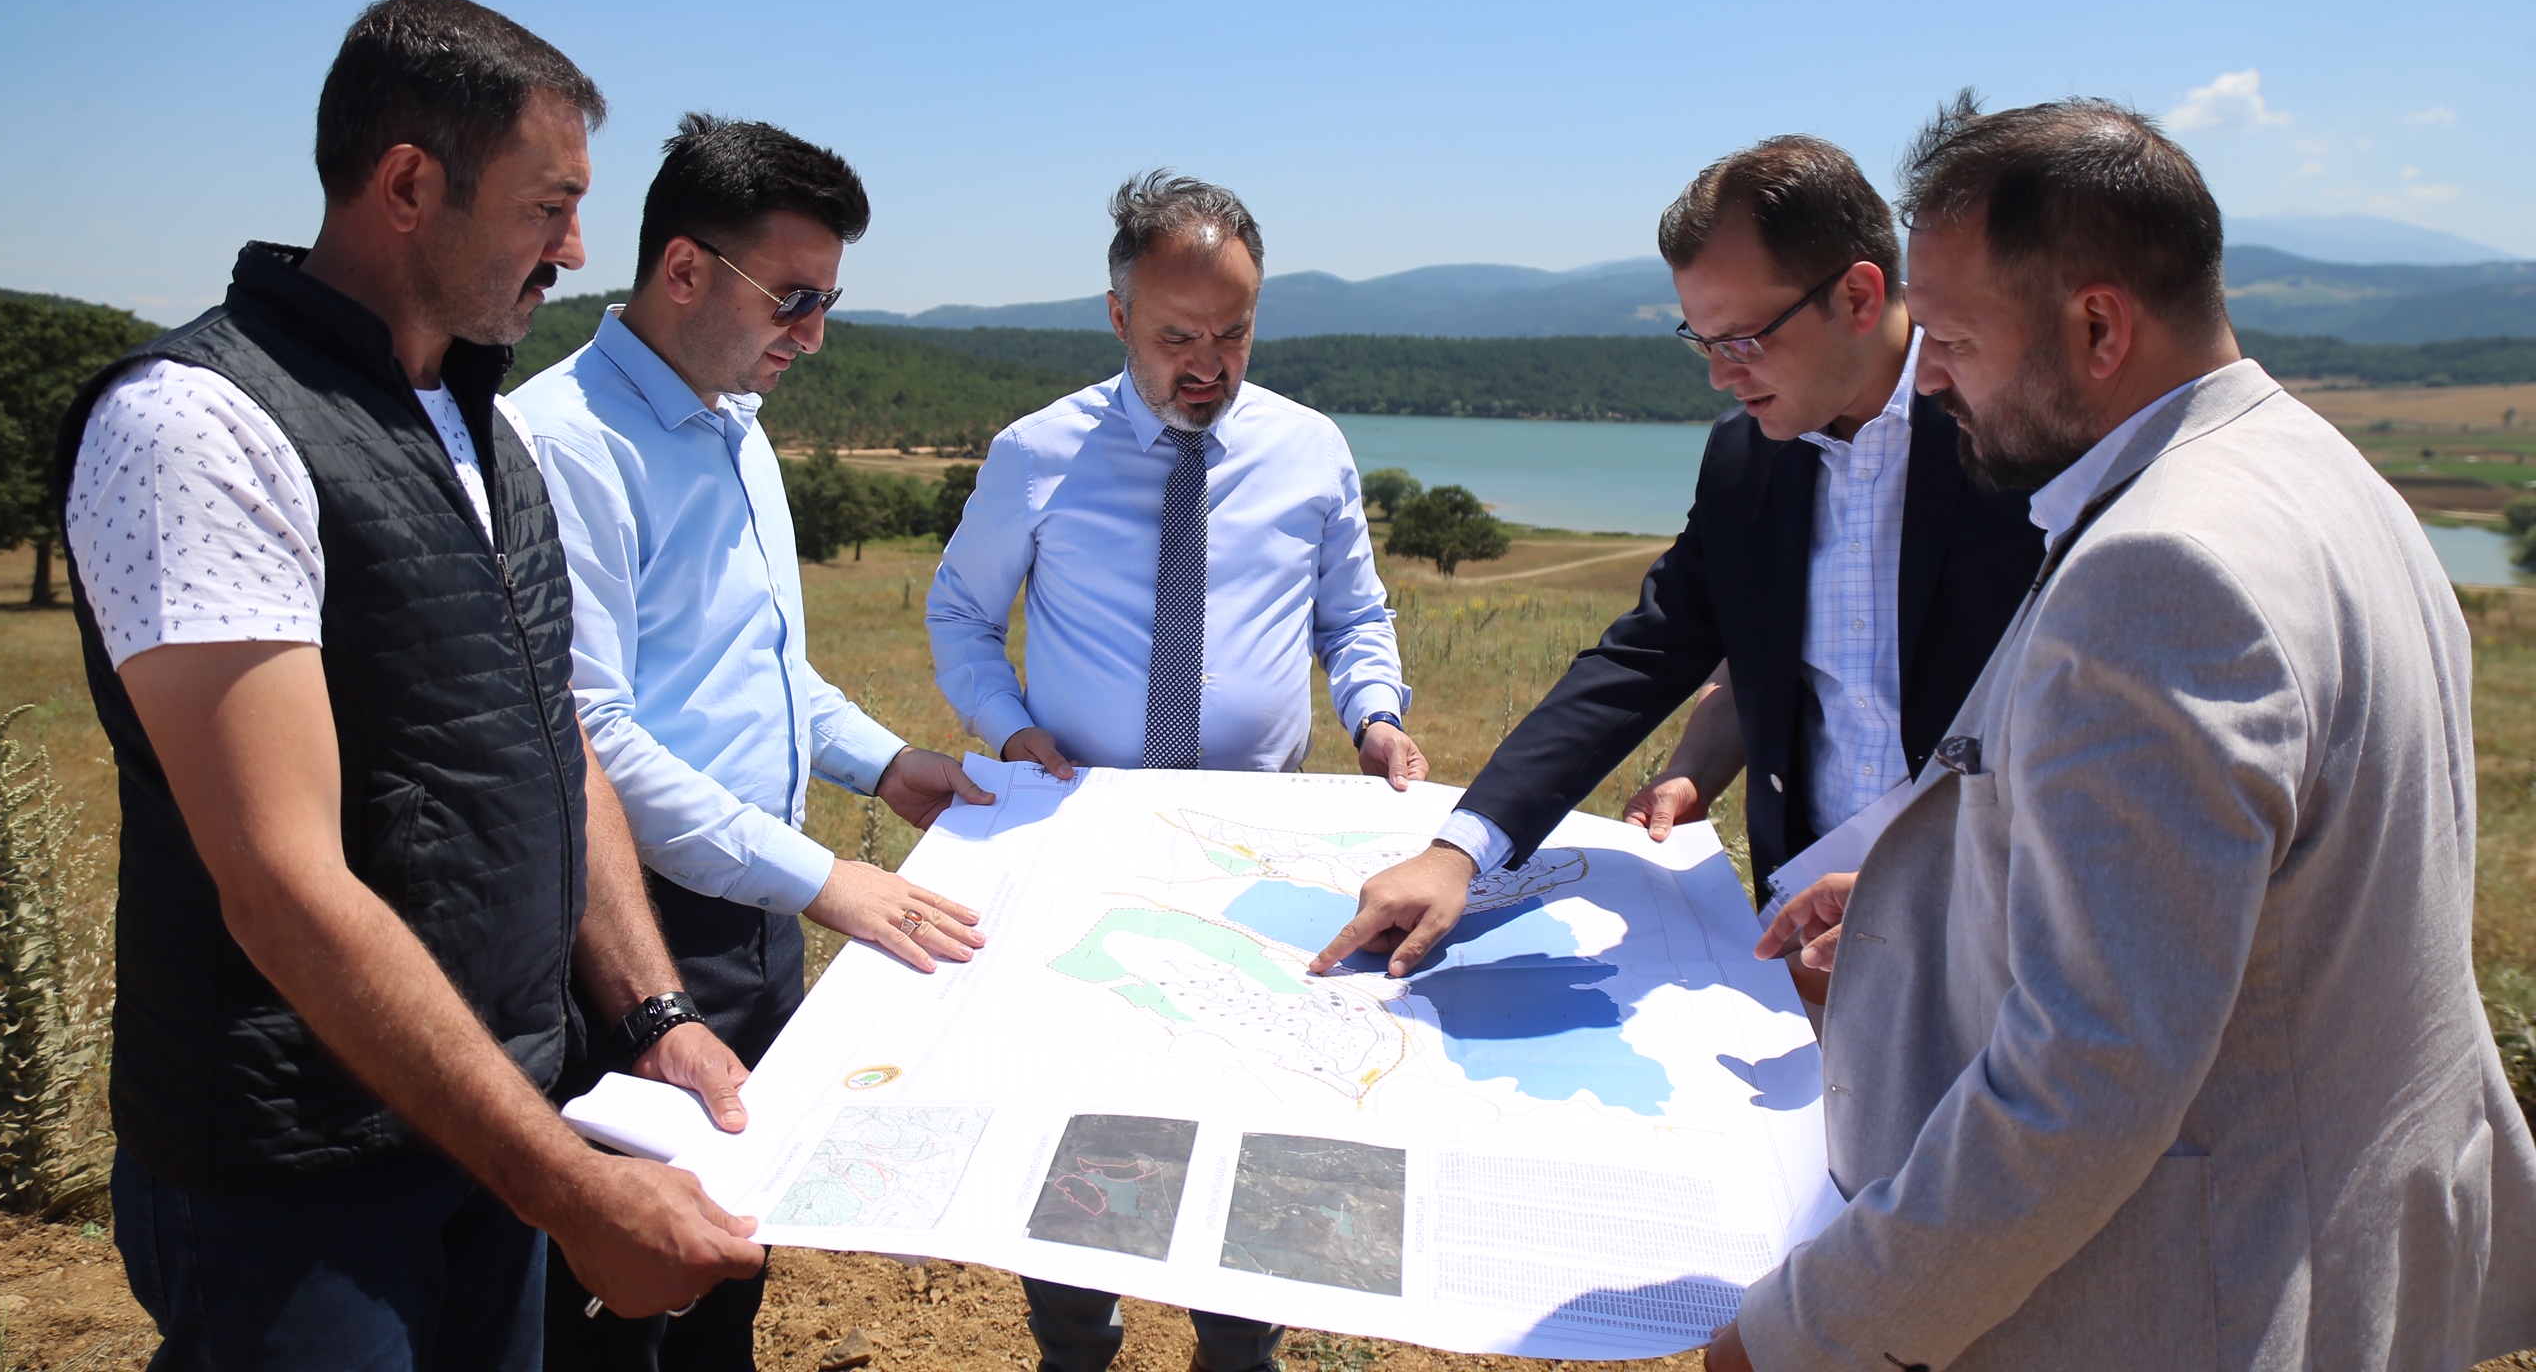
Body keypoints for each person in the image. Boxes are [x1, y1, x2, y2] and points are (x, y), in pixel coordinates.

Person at [1703, 94, 2536, 1371]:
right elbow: (2248, 884)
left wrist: (1807, 1334)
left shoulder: (2160, 569)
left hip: (2192, 1295)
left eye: (1957, 339)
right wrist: (1951, 895)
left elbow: (2085, 1079)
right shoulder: (2320, 471)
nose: (1931, 375)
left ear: (2098, 325)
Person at [54, 0, 766, 1372]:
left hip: (495, 1127)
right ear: (406, 187)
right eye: (549, 207)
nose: (575, 250)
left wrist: (654, 1015)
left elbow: (554, 742)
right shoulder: (198, 426)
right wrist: (570, 1191)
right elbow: (282, 887)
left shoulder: (484, 429)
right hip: (303, 1184)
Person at [1314, 134, 2044, 982]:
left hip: (2002, 936)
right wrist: (1460, 851)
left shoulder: (2022, 431)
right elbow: (1645, 654)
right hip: (1805, 946)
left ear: (1857, 295)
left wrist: (1932, 889)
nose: (1720, 377)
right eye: (1702, 341)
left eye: (1745, 339)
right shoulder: (1746, 454)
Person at [512, 113, 993, 1369]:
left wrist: (885, 764)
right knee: (626, 1289)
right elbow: (591, 738)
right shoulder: (561, 446)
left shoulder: (736, 421)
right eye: (794, 299)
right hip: (634, 939)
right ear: (683, 269)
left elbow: (763, 673)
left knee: (730, 1260)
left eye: (827, 303)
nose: (813, 336)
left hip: (755, 918)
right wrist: (827, 879)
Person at [927, 170, 1424, 1372]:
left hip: (1257, 857)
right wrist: (1011, 729)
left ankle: (1238, 1347)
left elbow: (1354, 616)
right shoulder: (1036, 454)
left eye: (1233, 334)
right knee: (1078, 1109)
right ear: (1117, 317)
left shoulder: (1310, 451)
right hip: (1079, 844)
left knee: (1256, 1106)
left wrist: (1373, 714)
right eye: (1176, 338)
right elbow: (959, 615)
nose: (1208, 365)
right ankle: (1075, 1341)